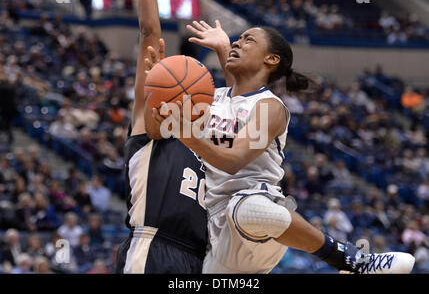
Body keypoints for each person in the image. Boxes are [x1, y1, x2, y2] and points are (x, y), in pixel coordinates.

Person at [150, 21, 415, 274]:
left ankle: (350, 259)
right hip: (212, 226)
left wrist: (183, 129)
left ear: (272, 59)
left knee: (246, 205)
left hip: (255, 220)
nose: (237, 44)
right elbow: (233, 98)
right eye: (236, 40)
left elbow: (232, 160)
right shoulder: (216, 97)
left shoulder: (269, 107)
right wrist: (156, 84)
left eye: (247, 40)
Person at [115, 0, 207, 274]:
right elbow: (149, 32)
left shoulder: (207, 146)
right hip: (152, 249)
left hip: (198, 259)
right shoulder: (149, 126)